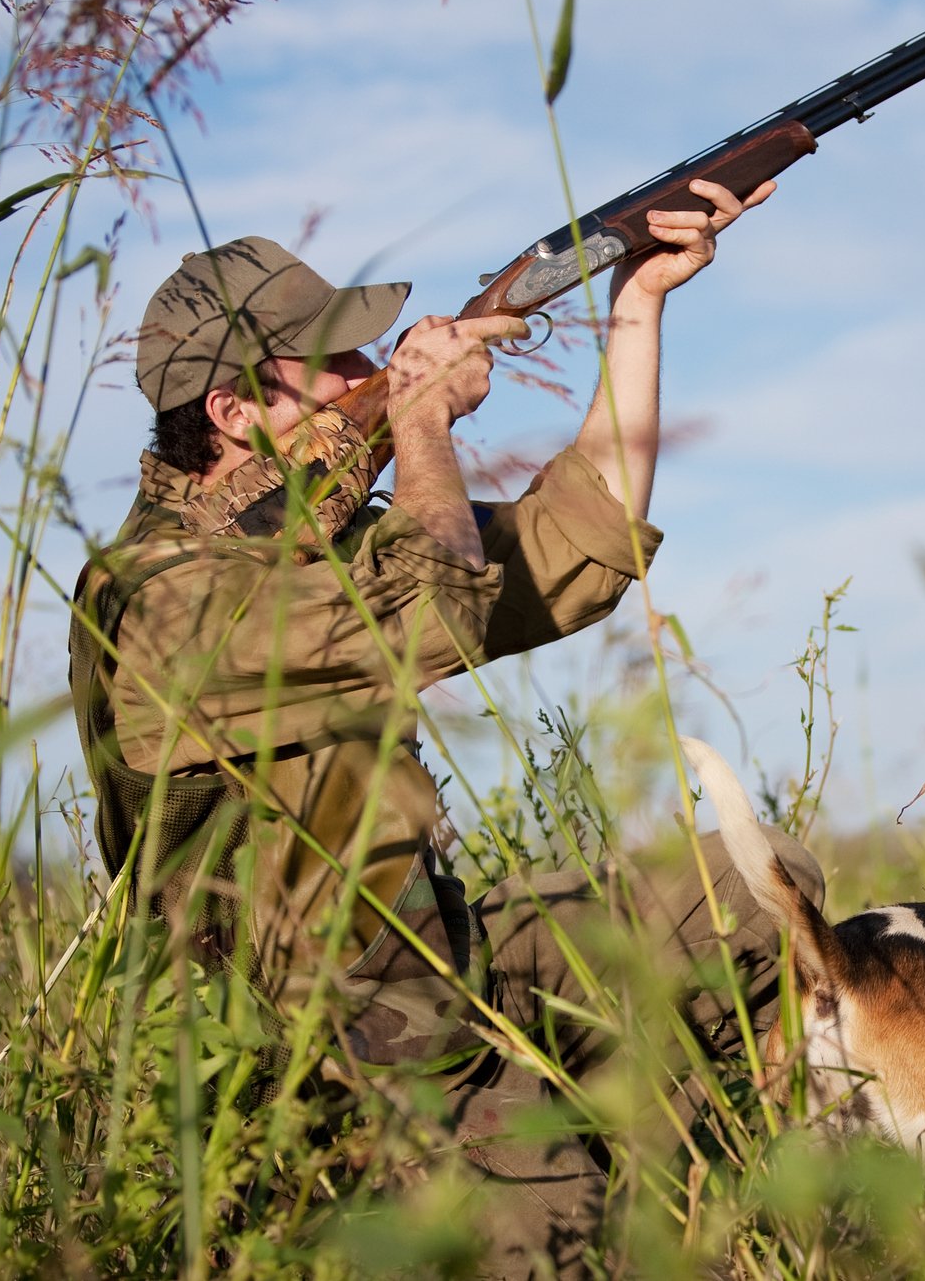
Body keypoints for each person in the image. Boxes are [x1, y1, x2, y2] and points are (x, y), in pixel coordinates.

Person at [68, 179, 822, 1275]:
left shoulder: (316, 546)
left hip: (433, 958)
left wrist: (635, 307)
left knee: (761, 893)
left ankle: (667, 1174)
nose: (366, 375)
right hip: (314, 1049)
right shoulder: (154, 599)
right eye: (331, 366)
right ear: (233, 415)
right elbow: (441, 600)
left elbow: (584, 545)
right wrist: (417, 422)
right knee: (563, 1238)